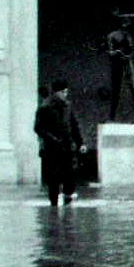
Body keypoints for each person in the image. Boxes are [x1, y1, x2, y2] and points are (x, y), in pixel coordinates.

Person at [33, 78, 84, 206]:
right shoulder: (45, 107)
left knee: (69, 174)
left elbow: (74, 125)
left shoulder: (67, 105)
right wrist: (53, 139)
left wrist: (80, 142)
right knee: (54, 176)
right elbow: (38, 128)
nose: (65, 94)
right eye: (63, 92)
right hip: (52, 147)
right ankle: (54, 201)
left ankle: (68, 196)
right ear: (57, 92)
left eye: (66, 92)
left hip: (67, 145)